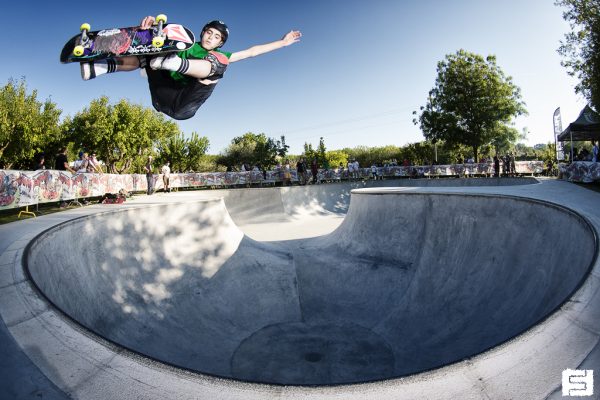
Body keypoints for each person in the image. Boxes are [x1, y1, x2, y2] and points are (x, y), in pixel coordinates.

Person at [80, 17, 302, 120]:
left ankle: (172, 63)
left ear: (219, 43)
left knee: (219, 65)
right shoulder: (183, 43)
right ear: (203, 32)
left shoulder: (220, 54)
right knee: (149, 55)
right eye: (209, 33)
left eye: (216, 37)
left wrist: (282, 43)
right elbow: (141, 50)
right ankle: (98, 67)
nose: (210, 38)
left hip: (184, 105)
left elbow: (252, 51)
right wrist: (143, 32)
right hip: (161, 95)